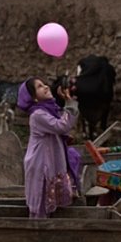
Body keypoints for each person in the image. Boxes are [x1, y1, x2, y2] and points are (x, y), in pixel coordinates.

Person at [17, 77, 82, 219]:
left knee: (49, 196)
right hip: (41, 163)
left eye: (44, 84)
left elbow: (62, 124)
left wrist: (67, 99)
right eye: (40, 87)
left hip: (48, 160)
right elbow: (62, 126)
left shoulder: (49, 109)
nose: (46, 87)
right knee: (41, 196)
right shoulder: (38, 115)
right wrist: (69, 102)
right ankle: (38, 231)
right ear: (34, 98)